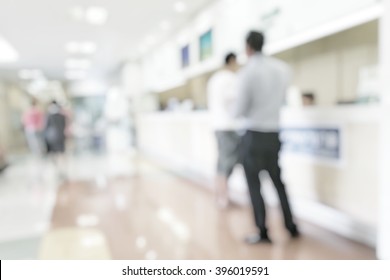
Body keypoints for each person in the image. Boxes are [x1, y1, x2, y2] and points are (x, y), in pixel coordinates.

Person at [233, 31, 299, 243]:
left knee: (254, 185)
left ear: (248, 47)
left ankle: (262, 230)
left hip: (253, 135)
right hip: (273, 133)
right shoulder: (281, 69)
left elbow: (240, 109)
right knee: (278, 182)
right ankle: (291, 226)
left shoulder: (247, 72)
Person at [207, 52, 241, 208]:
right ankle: (223, 197)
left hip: (217, 125)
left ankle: (219, 194)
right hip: (228, 126)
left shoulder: (214, 79)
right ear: (232, 61)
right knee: (227, 162)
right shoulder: (230, 78)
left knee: (221, 161)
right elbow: (235, 101)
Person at [44, 101, 67, 177]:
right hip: (61, 137)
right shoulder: (62, 116)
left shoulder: (49, 116)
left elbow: (46, 127)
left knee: (54, 154)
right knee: (61, 153)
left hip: (52, 138)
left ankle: (57, 168)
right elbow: (64, 126)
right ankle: (61, 168)